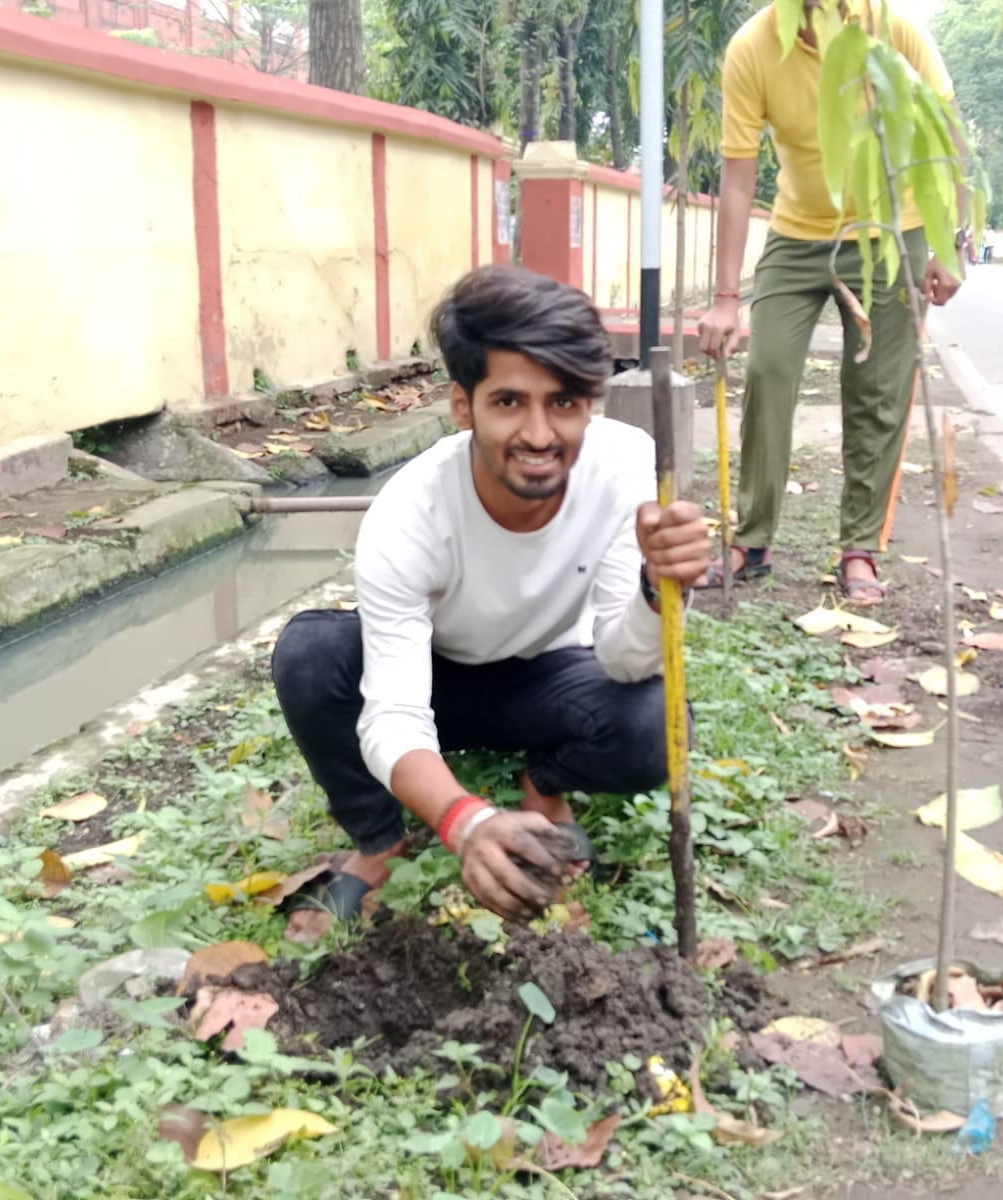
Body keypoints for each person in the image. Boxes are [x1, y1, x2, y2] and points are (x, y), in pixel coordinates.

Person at [272, 265, 710, 922]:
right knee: (310, 656)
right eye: (509, 402)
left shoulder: (625, 467)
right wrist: (466, 822)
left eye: (563, 403)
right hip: (439, 674)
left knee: (660, 724)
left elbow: (625, 661)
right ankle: (379, 843)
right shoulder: (410, 513)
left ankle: (546, 782)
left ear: (588, 405)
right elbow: (394, 714)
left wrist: (657, 589)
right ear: (463, 405)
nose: (539, 434)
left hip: (554, 674)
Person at [697, 0, 963, 606]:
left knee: (877, 391)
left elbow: (949, 137)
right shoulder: (753, 48)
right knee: (768, 371)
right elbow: (738, 177)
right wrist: (725, 298)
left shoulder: (895, 31)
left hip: (892, 234)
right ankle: (752, 541)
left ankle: (859, 548)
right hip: (796, 234)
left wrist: (949, 245)